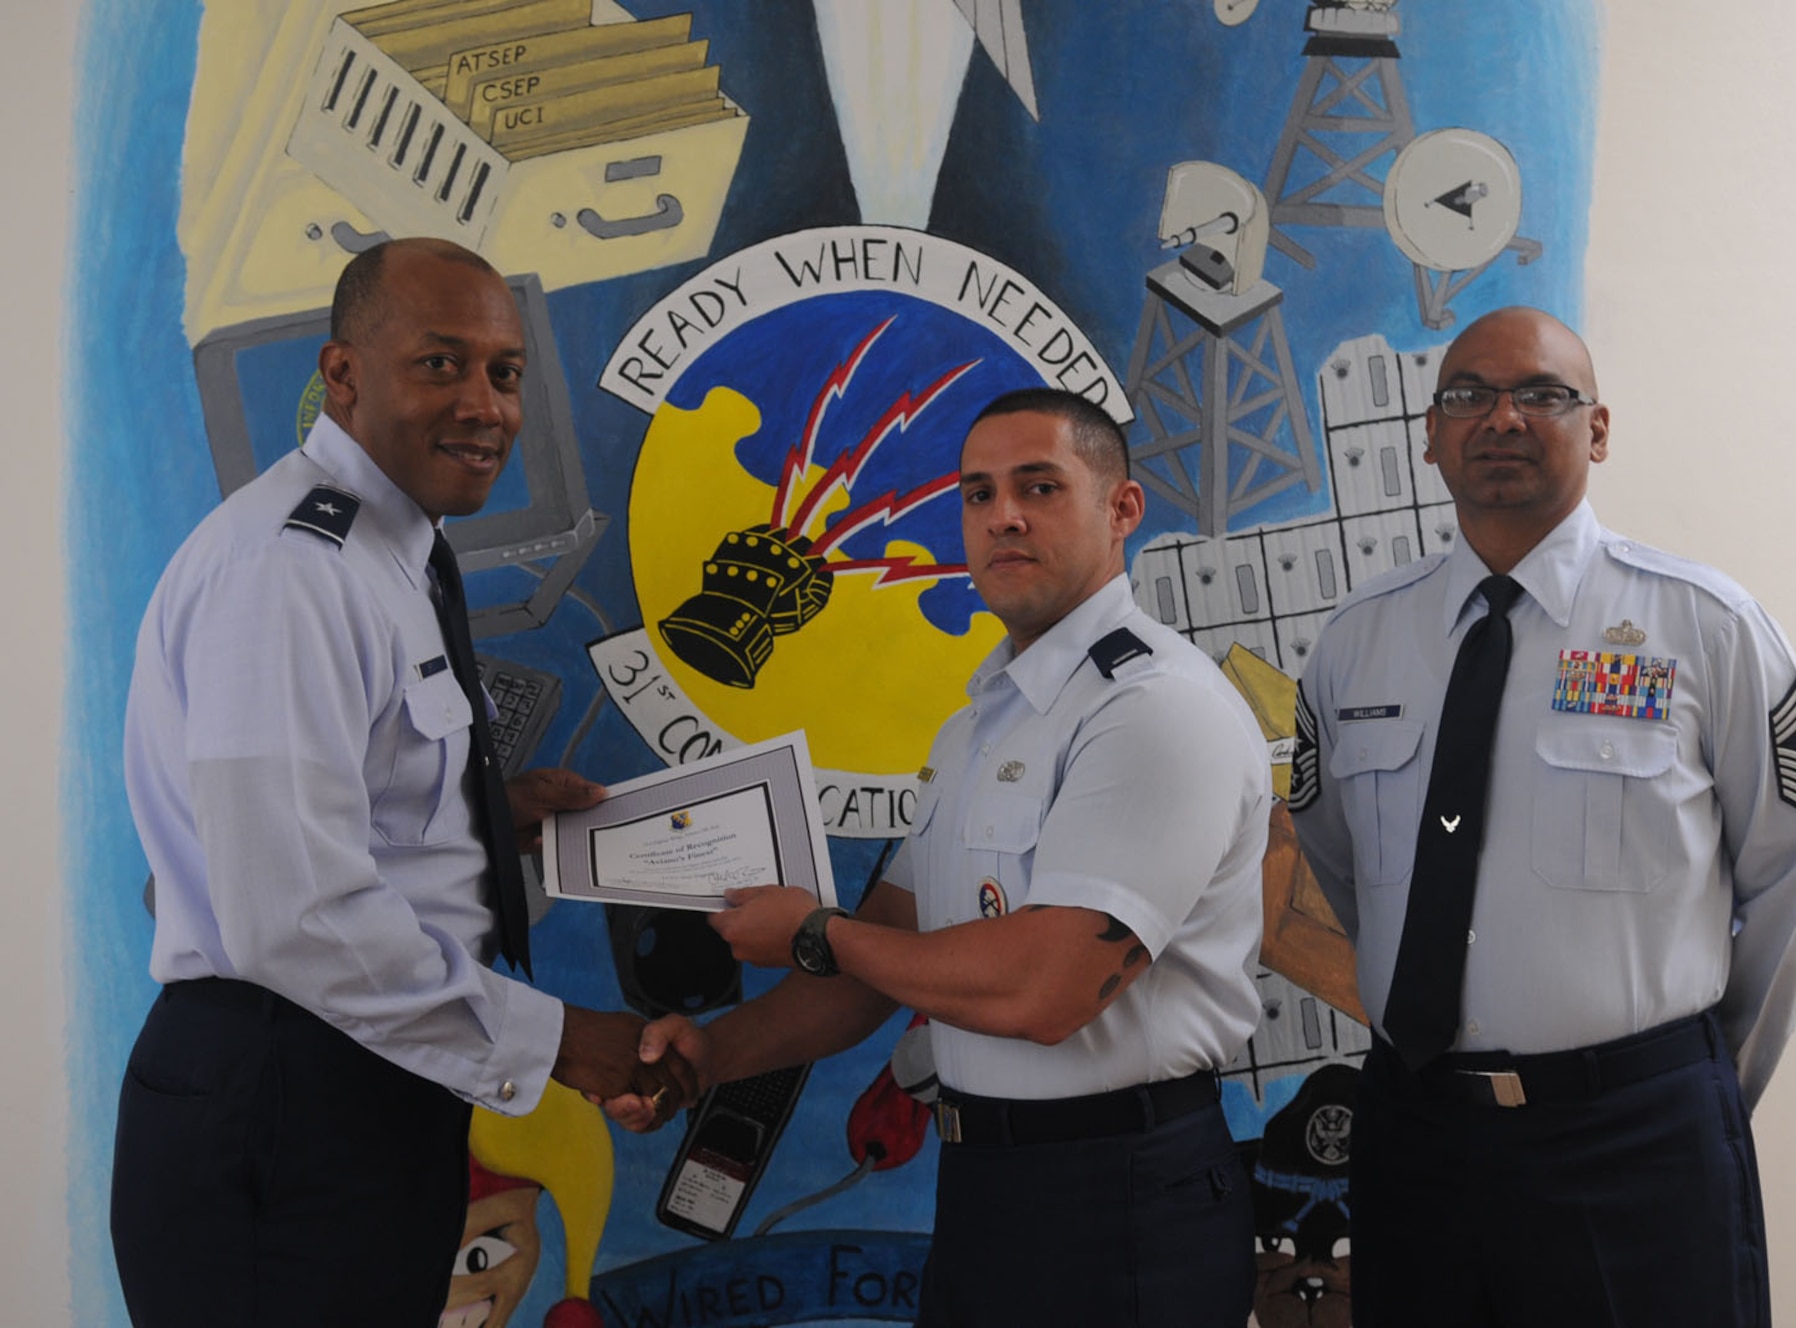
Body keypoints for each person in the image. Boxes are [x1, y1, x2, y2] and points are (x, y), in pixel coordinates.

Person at [111, 238, 692, 1328]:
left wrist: (483, 816)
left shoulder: (391, 551)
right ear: (342, 375)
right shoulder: (292, 571)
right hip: (284, 1095)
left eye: (504, 372)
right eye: (440, 363)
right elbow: (292, 913)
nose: (484, 405)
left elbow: (338, 806)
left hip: (363, 1084)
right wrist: (558, 1037)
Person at [607, 388, 1271, 1327]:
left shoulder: (1155, 708)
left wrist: (814, 932)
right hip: (986, 1186)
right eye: (977, 493)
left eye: (1040, 487)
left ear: (1122, 510)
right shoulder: (976, 726)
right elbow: (887, 958)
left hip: (1119, 1192)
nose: (1003, 515)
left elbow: (1046, 990)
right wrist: (710, 1055)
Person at [1285, 306, 1796, 1326]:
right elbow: (1340, 863)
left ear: (1595, 428)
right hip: (1416, 1135)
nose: (1499, 416)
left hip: (1634, 1140)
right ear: (1427, 431)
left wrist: (1687, 1077)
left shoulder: (1702, 625)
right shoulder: (1353, 644)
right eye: (1466, 394)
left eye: (1539, 393)